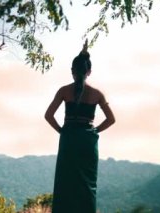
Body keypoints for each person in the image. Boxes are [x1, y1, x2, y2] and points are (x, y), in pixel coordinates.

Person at [44, 39, 115, 213]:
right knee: (87, 184)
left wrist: (62, 131)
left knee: (65, 182)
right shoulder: (98, 94)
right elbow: (111, 119)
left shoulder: (63, 91)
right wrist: (94, 131)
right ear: (89, 71)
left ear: (72, 71)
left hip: (68, 138)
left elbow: (48, 115)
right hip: (87, 141)